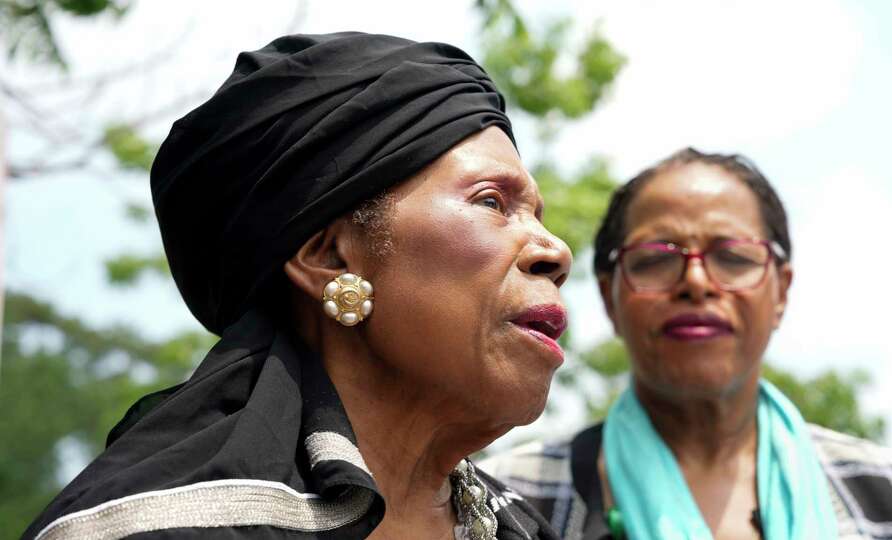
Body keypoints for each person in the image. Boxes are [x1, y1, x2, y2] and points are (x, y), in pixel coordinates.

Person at [23, 32, 573, 540]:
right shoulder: (159, 528)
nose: (555, 251)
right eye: (491, 202)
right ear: (329, 256)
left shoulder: (521, 528)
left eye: (538, 214)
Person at [482, 148, 892, 539]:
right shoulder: (512, 498)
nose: (696, 282)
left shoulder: (886, 493)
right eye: (657, 259)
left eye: (732, 256)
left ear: (781, 292)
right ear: (609, 296)